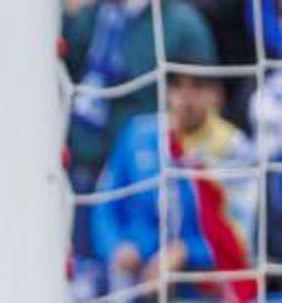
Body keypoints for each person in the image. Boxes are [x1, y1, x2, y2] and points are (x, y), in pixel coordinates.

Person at [92, 67, 257, 303]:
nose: (186, 98)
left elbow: (240, 237)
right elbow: (104, 204)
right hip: (132, 282)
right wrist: (116, 247)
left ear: (217, 95)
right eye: (178, 86)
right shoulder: (139, 134)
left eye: (198, 87)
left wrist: (185, 252)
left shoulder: (233, 149)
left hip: (202, 291)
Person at [64, 0, 216, 186]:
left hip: (146, 168)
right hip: (83, 157)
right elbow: (66, 69)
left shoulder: (182, 25)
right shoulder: (90, 16)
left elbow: (204, 98)